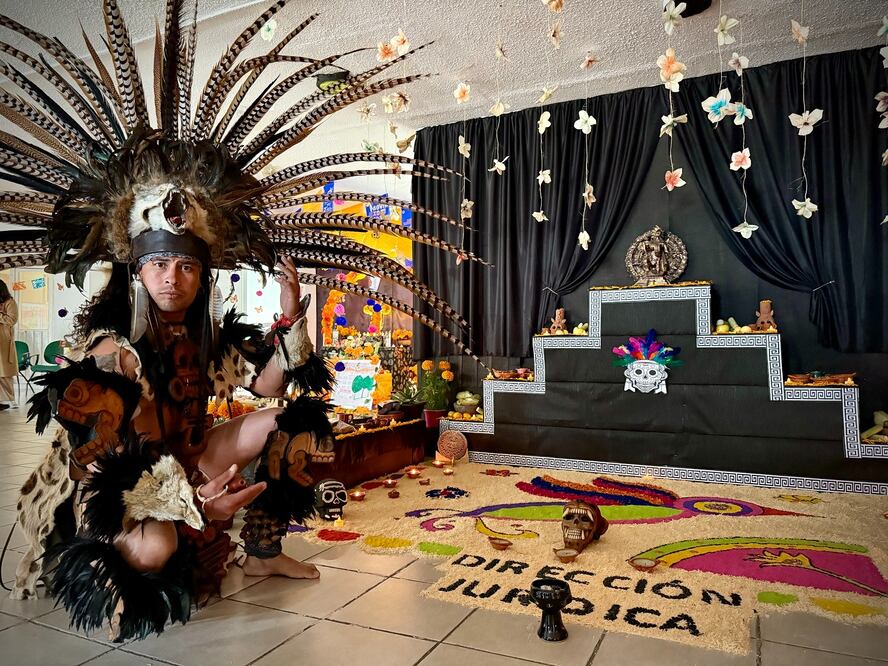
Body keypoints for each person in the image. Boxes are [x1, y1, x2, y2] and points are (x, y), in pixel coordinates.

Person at [0, 279, 17, 410]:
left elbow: (12, 319)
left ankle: (7, 399)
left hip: (4, 342)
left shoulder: (10, 303)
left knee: (4, 371)